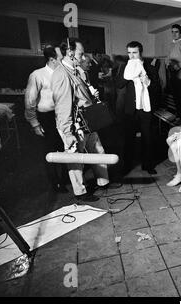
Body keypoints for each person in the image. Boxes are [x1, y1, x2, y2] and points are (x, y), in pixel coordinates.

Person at [51, 38, 110, 202]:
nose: (84, 58)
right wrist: (68, 133)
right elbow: (62, 108)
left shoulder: (76, 70)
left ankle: (103, 181)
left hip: (88, 120)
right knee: (76, 159)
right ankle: (81, 192)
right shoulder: (61, 74)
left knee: (98, 150)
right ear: (70, 53)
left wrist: (92, 96)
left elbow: (81, 95)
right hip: (74, 125)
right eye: (81, 54)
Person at [24, 45, 67, 193]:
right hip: (46, 118)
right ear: (52, 59)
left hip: (62, 115)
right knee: (50, 151)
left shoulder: (63, 73)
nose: (64, 60)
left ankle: (65, 180)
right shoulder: (37, 75)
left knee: (65, 148)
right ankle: (55, 183)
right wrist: (35, 124)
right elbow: (30, 101)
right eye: (61, 58)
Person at [115, 41, 161, 175]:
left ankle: (148, 165)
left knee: (147, 138)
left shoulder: (149, 67)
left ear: (141, 52)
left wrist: (148, 82)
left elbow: (157, 89)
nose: (131, 56)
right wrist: (129, 75)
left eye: (134, 52)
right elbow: (118, 84)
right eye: (129, 53)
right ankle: (126, 165)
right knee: (128, 138)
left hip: (145, 108)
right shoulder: (125, 66)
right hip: (130, 109)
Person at [166, 24, 181, 121]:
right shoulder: (171, 44)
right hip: (172, 72)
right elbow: (168, 57)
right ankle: (178, 115)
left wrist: (177, 66)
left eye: (176, 32)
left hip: (180, 72)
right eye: (172, 32)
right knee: (175, 94)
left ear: (180, 33)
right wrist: (167, 63)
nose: (174, 34)